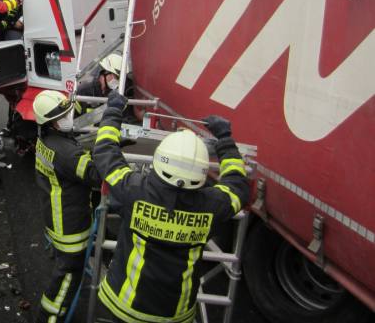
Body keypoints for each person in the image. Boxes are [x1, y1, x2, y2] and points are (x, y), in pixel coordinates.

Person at [91, 90, 250, 323]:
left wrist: (113, 112)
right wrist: (225, 139)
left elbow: (105, 151)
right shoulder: (211, 206)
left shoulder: (134, 191)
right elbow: (237, 186)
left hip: (123, 306)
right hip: (174, 313)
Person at [32, 90, 102, 323]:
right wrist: (108, 147)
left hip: (56, 219)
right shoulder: (66, 152)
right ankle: (49, 317)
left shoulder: (46, 140)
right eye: (62, 115)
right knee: (67, 279)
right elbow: (95, 176)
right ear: (50, 122)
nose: (68, 117)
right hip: (70, 227)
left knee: (65, 271)